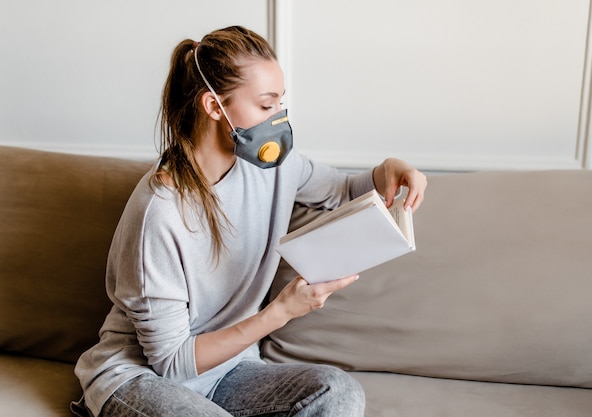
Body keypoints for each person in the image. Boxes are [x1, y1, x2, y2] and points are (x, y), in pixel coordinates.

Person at [72, 25, 427, 417]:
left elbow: (340, 190)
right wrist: (281, 311)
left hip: (229, 371)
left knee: (338, 391)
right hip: (140, 379)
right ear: (213, 106)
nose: (278, 118)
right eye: (265, 105)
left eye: (279, 103)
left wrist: (387, 170)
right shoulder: (161, 211)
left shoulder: (273, 166)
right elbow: (170, 363)